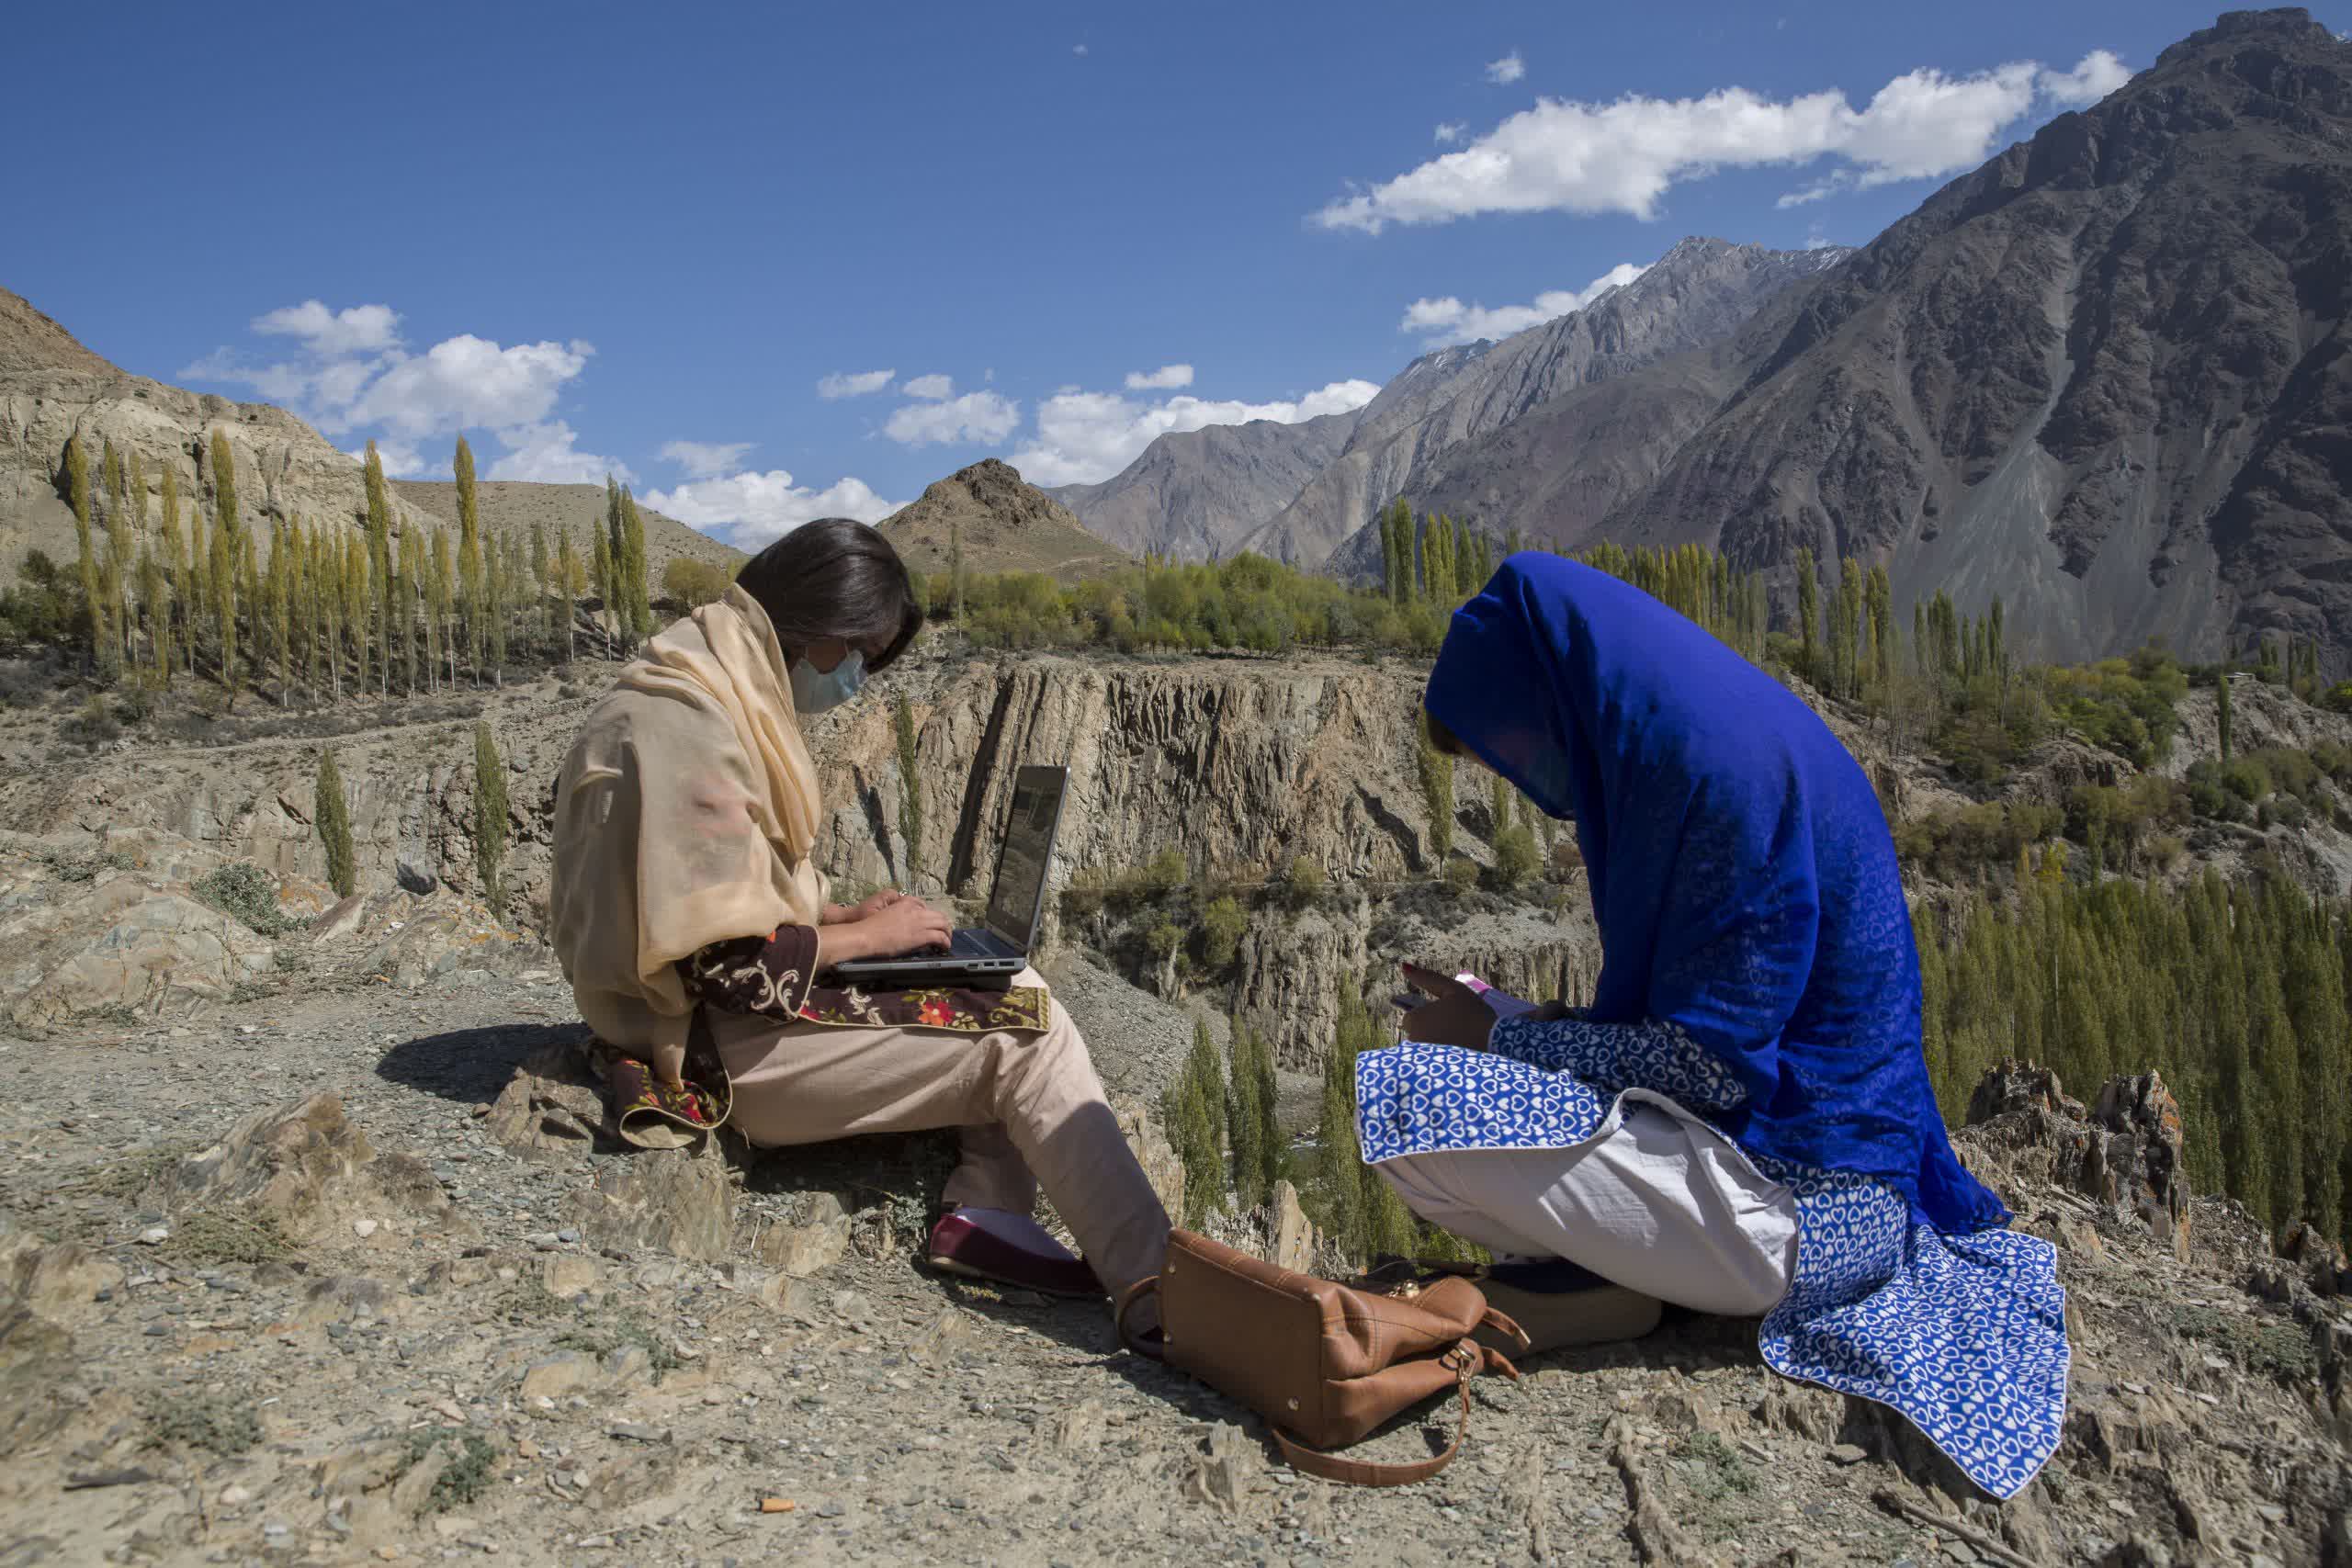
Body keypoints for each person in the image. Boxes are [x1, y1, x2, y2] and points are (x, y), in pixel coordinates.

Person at [1362, 553, 2067, 1501]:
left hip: (1809, 1207)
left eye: (1513, 744)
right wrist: (1525, 1021)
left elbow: (1706, 1068)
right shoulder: (1708, 736)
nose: (1528, 775)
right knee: (1462, 1066)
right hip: (1787, 1166)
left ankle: (1616, 1281)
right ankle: (1609, 1279)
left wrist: (1493, 1037)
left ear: (1547, 692)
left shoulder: (1721, 781)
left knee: (1404, 1100)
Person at [548, 518, 1170, 1306]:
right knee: (1031, 1031)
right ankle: (1162, 1293)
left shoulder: (700, 674)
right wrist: (870, 937)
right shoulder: (690, 729)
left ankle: (988, 1211)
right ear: (820, 634)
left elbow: (719, 889)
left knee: (999, 980)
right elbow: (730, 967)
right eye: (861, 657)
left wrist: (838, 915)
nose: (858, 681)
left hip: (690, 1016)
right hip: (705, 1046)